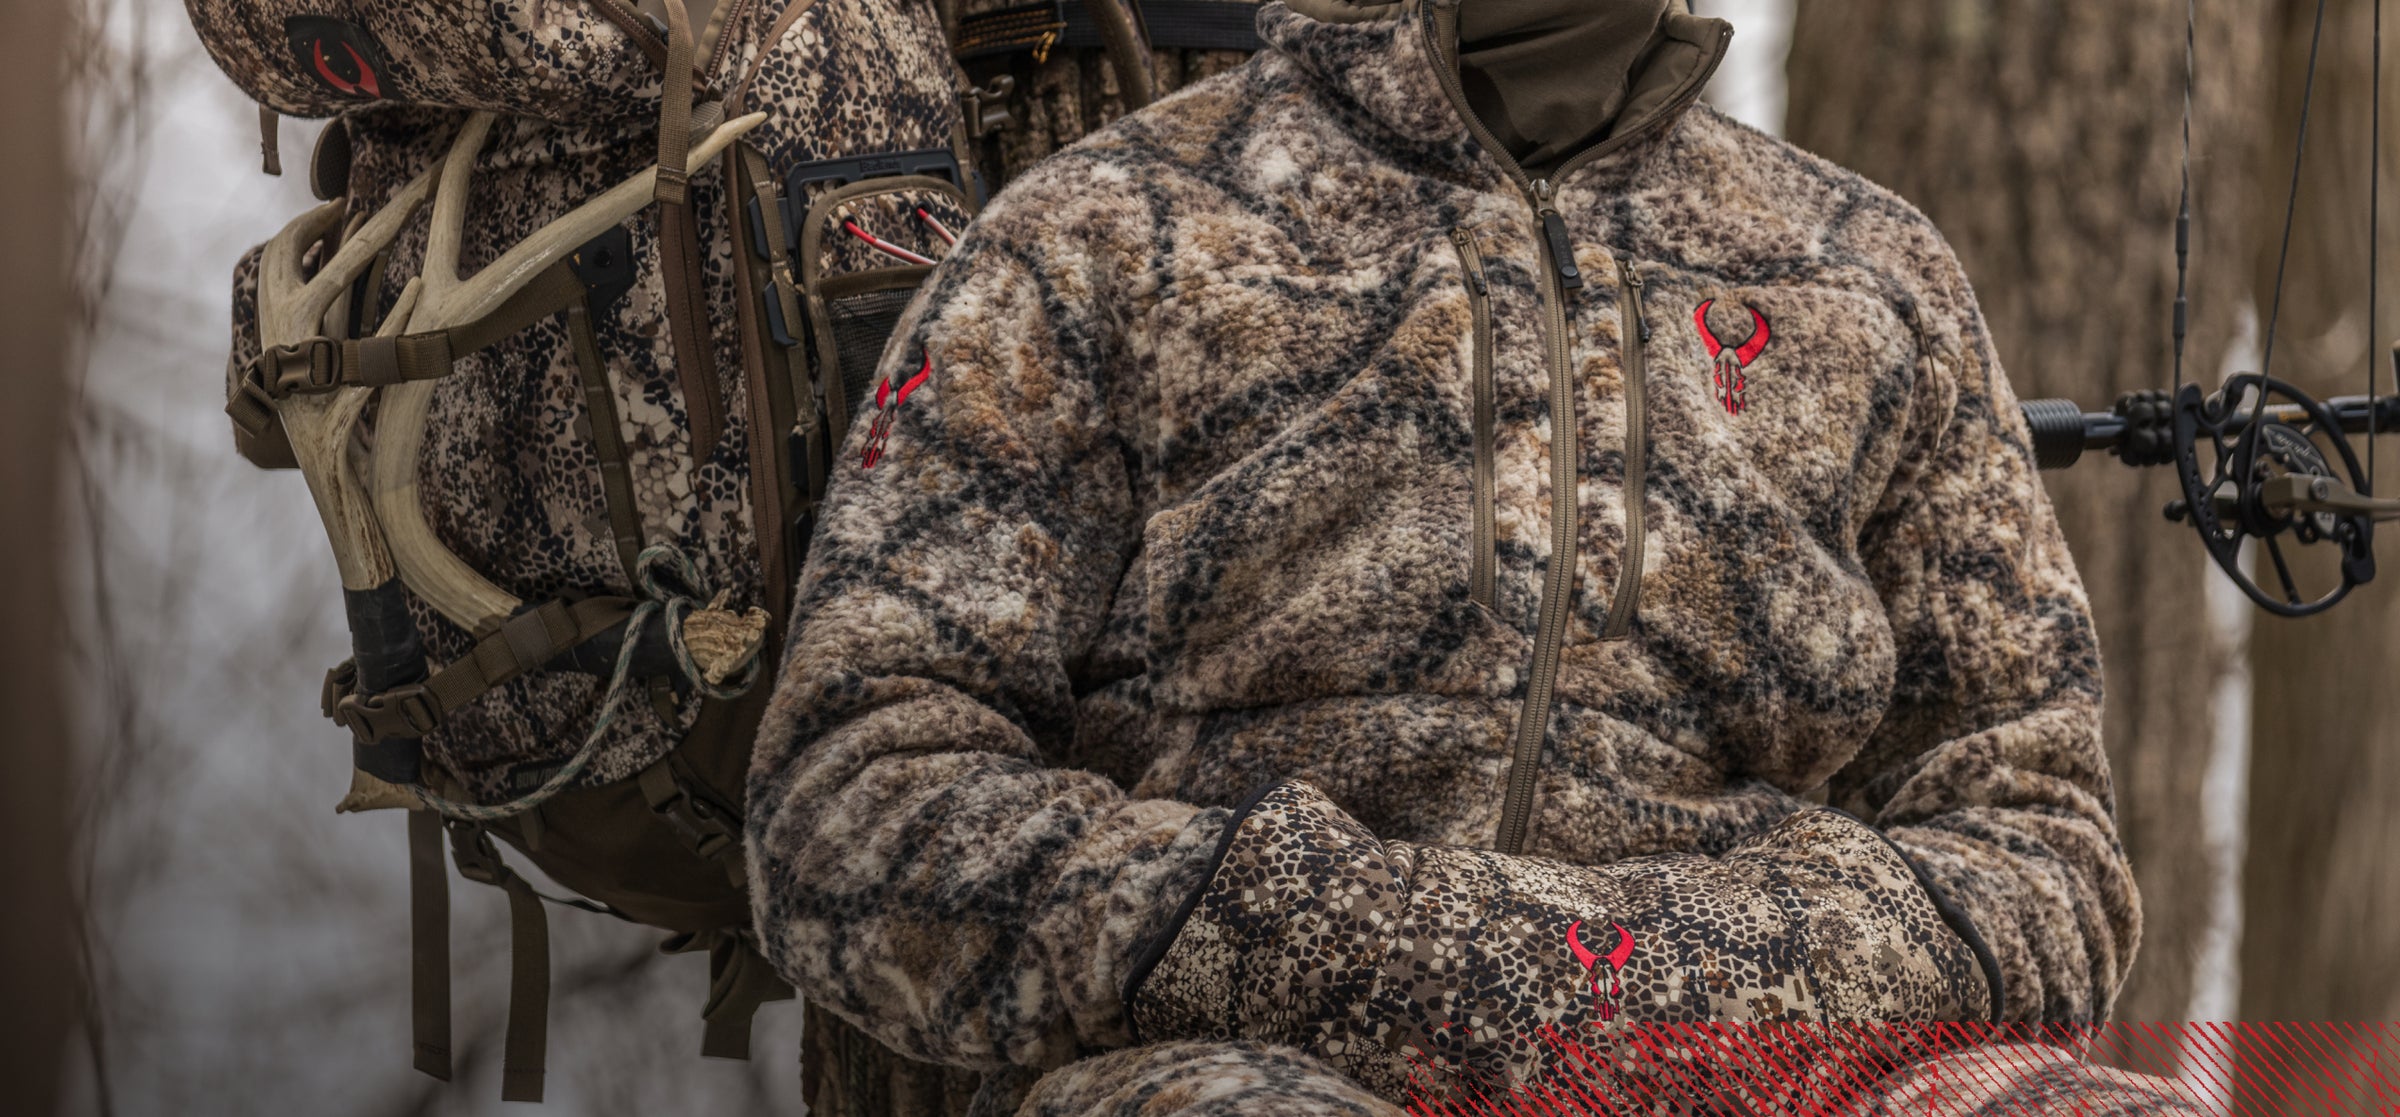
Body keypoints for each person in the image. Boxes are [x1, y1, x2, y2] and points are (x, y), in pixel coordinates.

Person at [744, 0, 2203, 1112]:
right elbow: (855, 794)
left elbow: (2038, 847)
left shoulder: (1865, 271)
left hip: (1785, 1061)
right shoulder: (1100, 234)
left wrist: (1684, 979)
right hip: (1250, 1059)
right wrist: (1342, 940)